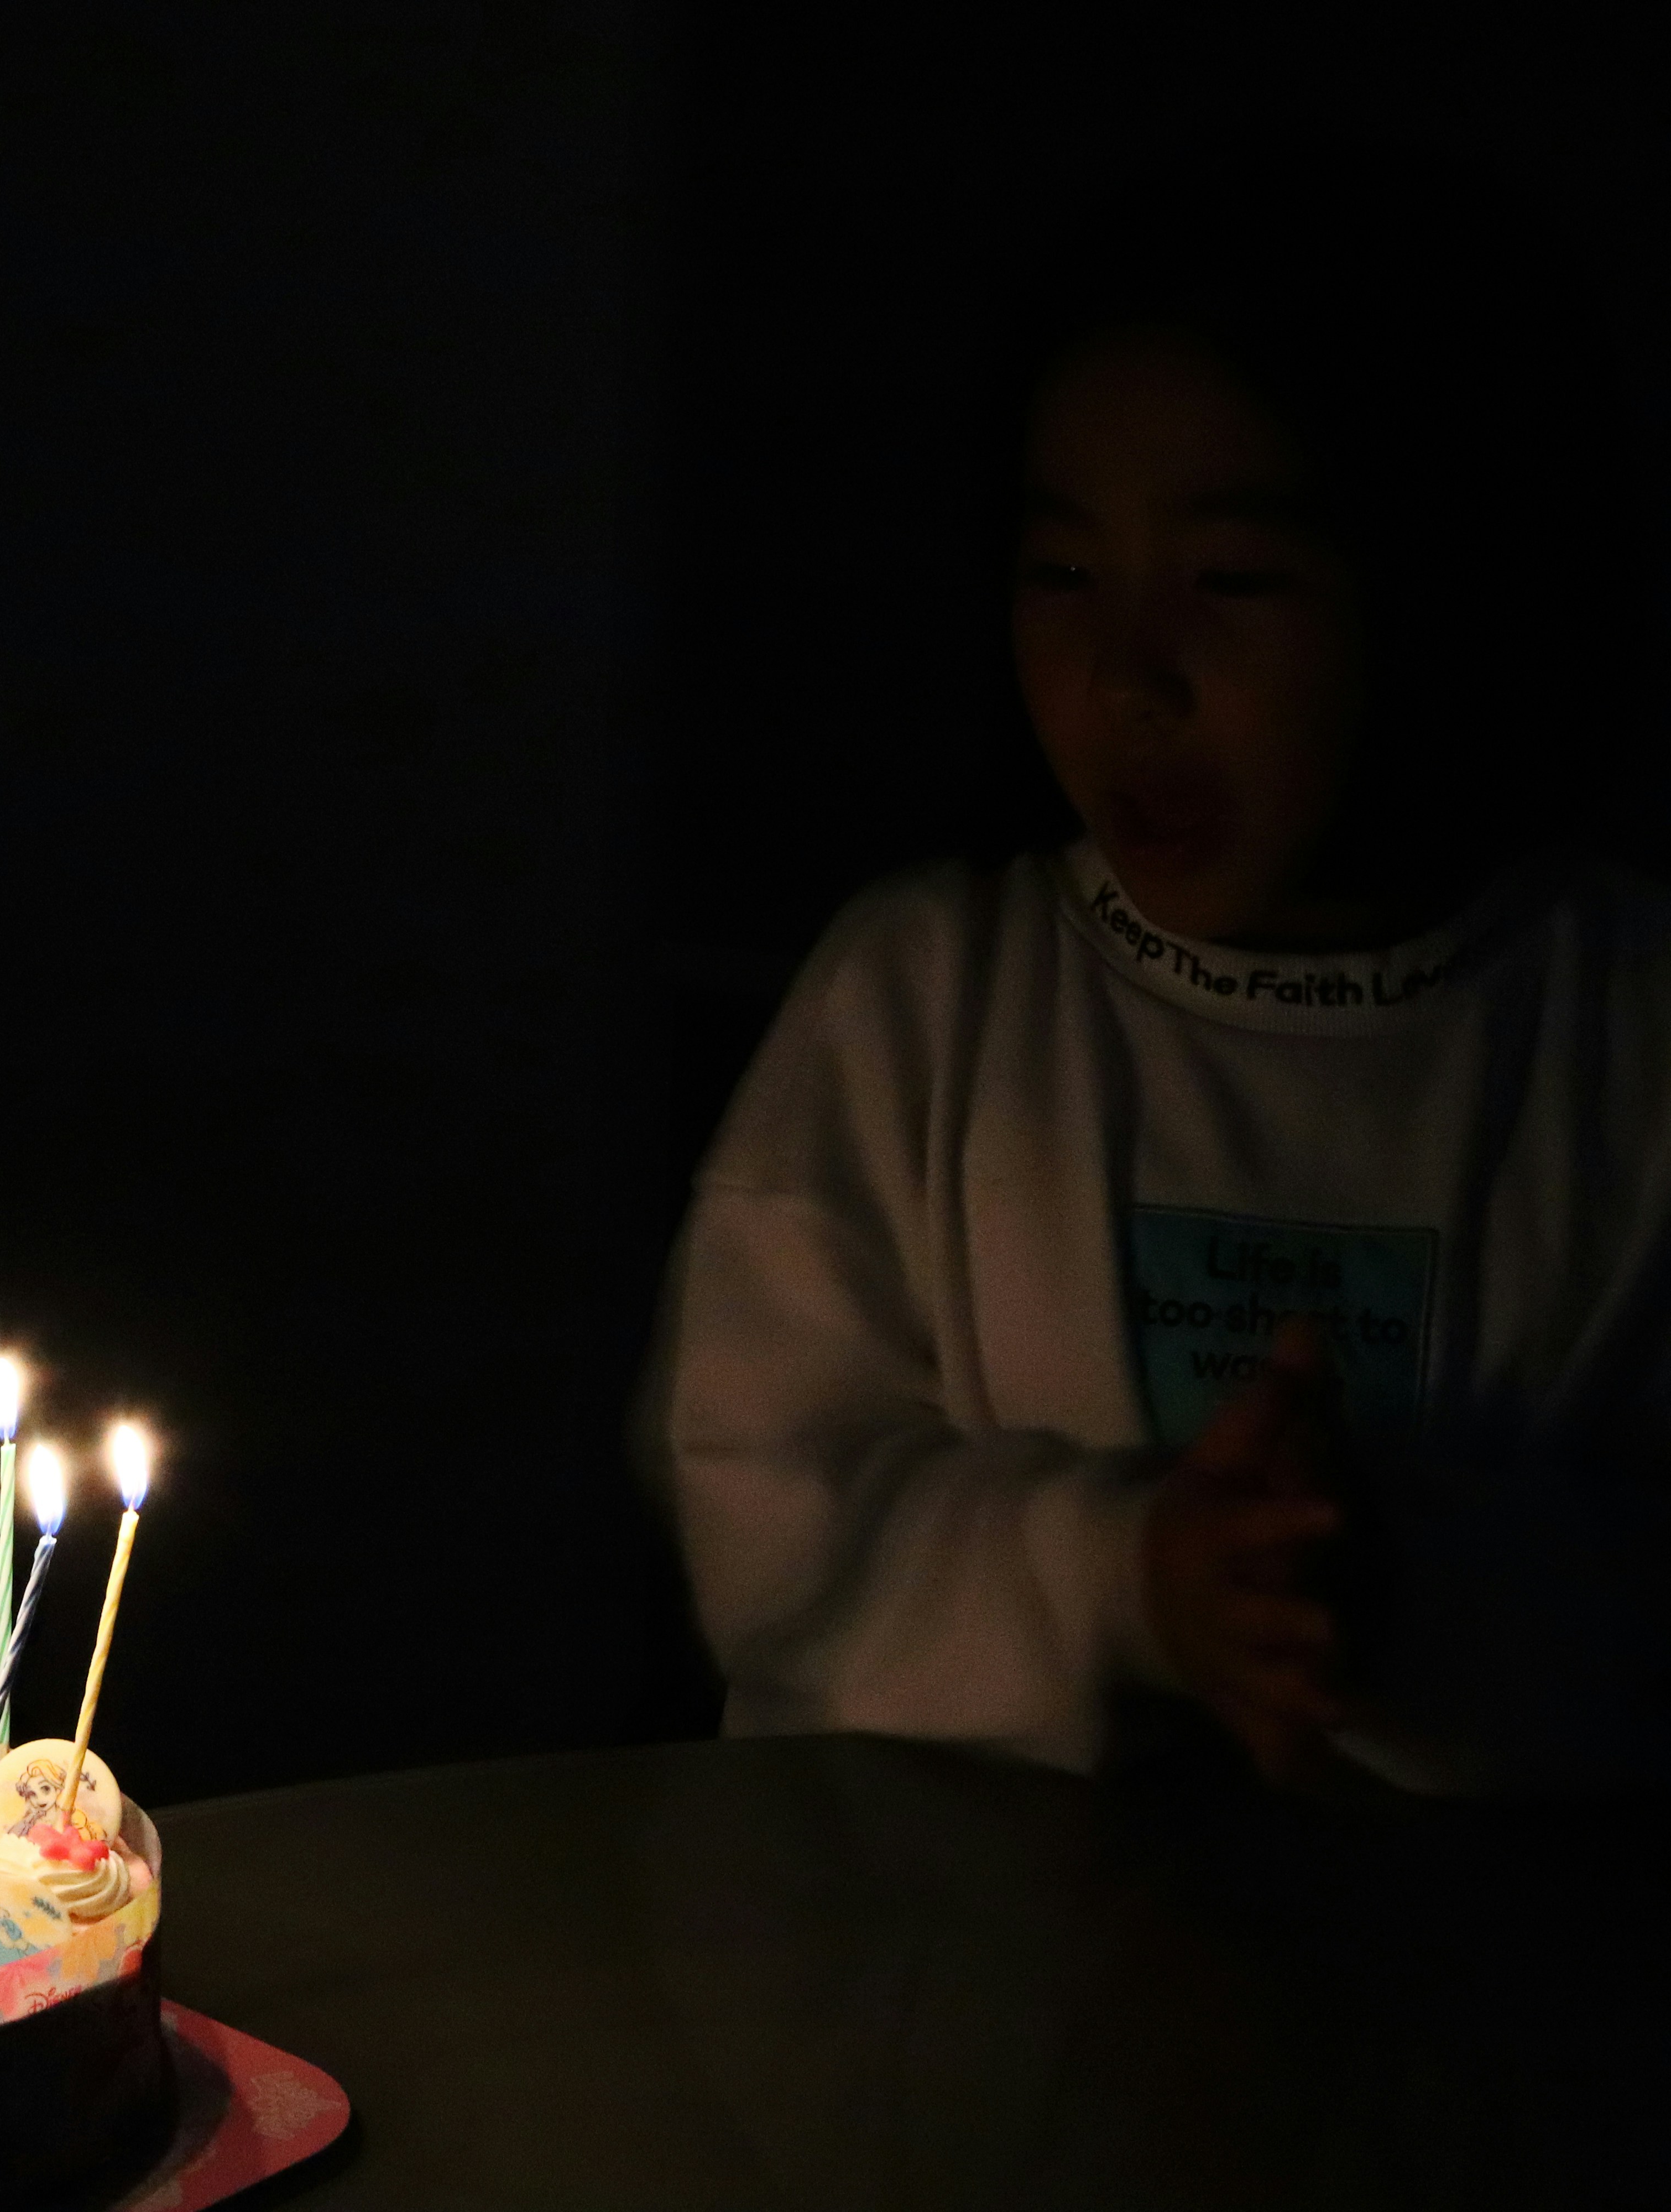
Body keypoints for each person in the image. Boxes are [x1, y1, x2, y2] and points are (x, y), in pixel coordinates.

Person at [637, 159, 1665, 1793]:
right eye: (1064, 575)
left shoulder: (1620, 1034)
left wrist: (1399, 1593)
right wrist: (1121, 1580)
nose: (1128, 677)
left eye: (1232, 581)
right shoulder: (927, 1003)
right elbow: (769, 1508)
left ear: (1452, 575)